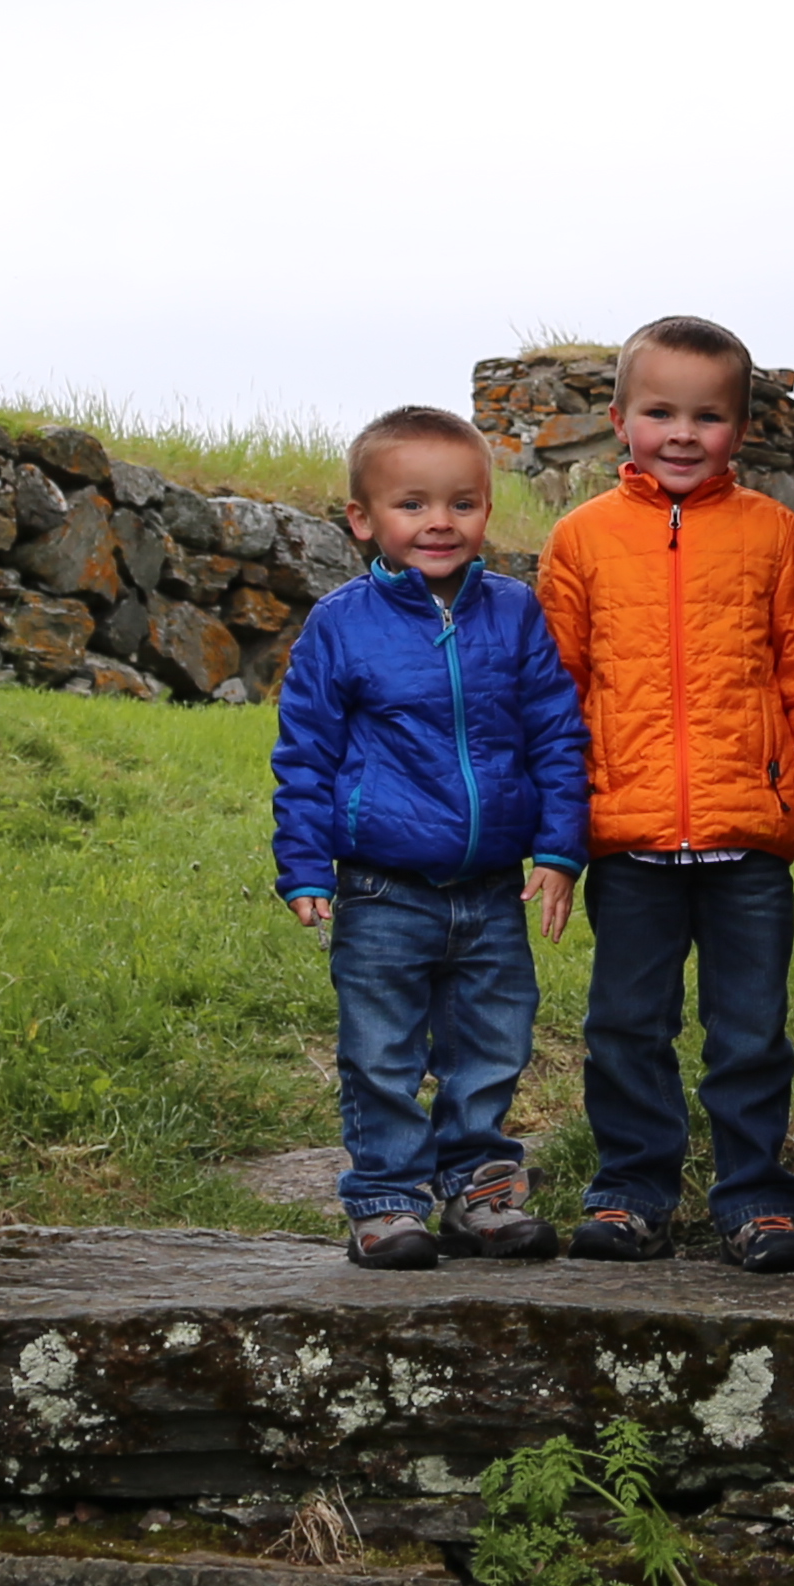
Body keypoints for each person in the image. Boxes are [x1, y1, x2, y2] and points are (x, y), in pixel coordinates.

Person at [533, 314, 794, 1275]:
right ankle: (632, 1191)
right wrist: (558, 828)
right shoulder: (581, 541)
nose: (683, 434)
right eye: (660, 412)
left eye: (707, 416)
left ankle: (756, 1198)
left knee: (750, 1031)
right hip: (628, 841)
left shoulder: (771, 536)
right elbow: (554, 691)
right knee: (626, 1027)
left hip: (747, 843)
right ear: (619, 418)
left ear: (742, 427)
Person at [267, 401, 595, 1270]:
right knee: (380, 1051)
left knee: (491, 1045)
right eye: (412, 505)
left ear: (488, 508)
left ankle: (481, 1192)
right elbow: (305, 754)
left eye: (462, 503)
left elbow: (557, 735)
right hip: (381, 886)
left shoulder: (515, 614)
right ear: (363, 519)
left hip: (491, 888)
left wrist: (561, 851)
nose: (439, 523)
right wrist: (303, 864)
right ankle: (385, 1199)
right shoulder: (341, 625)